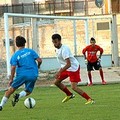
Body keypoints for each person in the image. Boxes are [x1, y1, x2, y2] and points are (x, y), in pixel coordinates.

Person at [0, 36, 42, 111]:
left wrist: (11, 79)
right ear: (25, 43)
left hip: (21, 75)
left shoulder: (15, 55)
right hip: (33, 74)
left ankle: (1, 105)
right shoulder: (31, 51)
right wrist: (38, 67)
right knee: (28, 91)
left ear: (16, 44)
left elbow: (13, 67)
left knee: (11, 90)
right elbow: (40, 60)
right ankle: (19, 95)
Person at [52, 33, 94, 104]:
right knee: (56, 82)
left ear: (59, 41)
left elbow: (69, 64)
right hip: (66, 68)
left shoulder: (64, 49)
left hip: (73, 68)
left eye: (56, 42)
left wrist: (59, 72)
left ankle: (90, 99)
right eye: (53, 42)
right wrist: (60, 71)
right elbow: (64, 63)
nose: (54, 44)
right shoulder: (56, 49)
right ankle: (69, 94)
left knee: (74, 87)